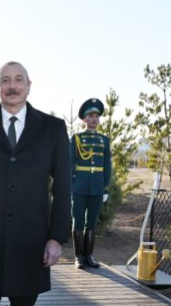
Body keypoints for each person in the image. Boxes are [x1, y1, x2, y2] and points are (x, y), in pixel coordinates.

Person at [0, 61, 72, 306]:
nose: (12, 86)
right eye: (5, 80)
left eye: (18, 79)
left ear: (29, 86)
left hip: (31, 244)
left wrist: (56, 238)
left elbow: (62, 187)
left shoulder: (53, 129)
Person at [70, 98, 112, 269]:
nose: (94, 119)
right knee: (78, 220)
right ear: (84, 119)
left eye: (96, 116)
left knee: (92, 222)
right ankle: (78, 256)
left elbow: (107, 166)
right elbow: (69, 163)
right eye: (90, 116)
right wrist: (70, 187)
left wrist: (105, 187)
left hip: (96, 187)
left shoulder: (104, 140)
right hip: (79, 186)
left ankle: (89, 255)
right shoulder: (77, 139)